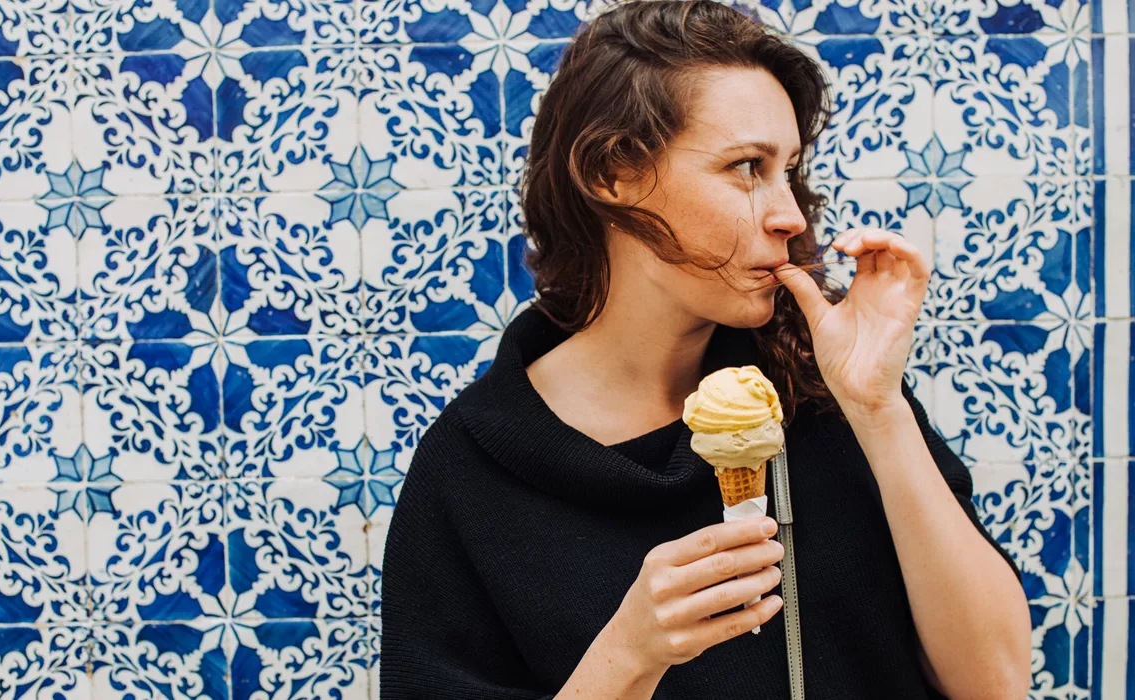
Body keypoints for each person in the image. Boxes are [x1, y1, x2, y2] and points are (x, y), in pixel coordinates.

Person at [379, 1, 1032, 698]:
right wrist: (631, 652)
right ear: (612, 175)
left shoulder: (824, 387)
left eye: (789, 170)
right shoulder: (472, 469)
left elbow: (994, 684)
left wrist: (877, 408)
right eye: (747, 167)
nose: (790, 215)